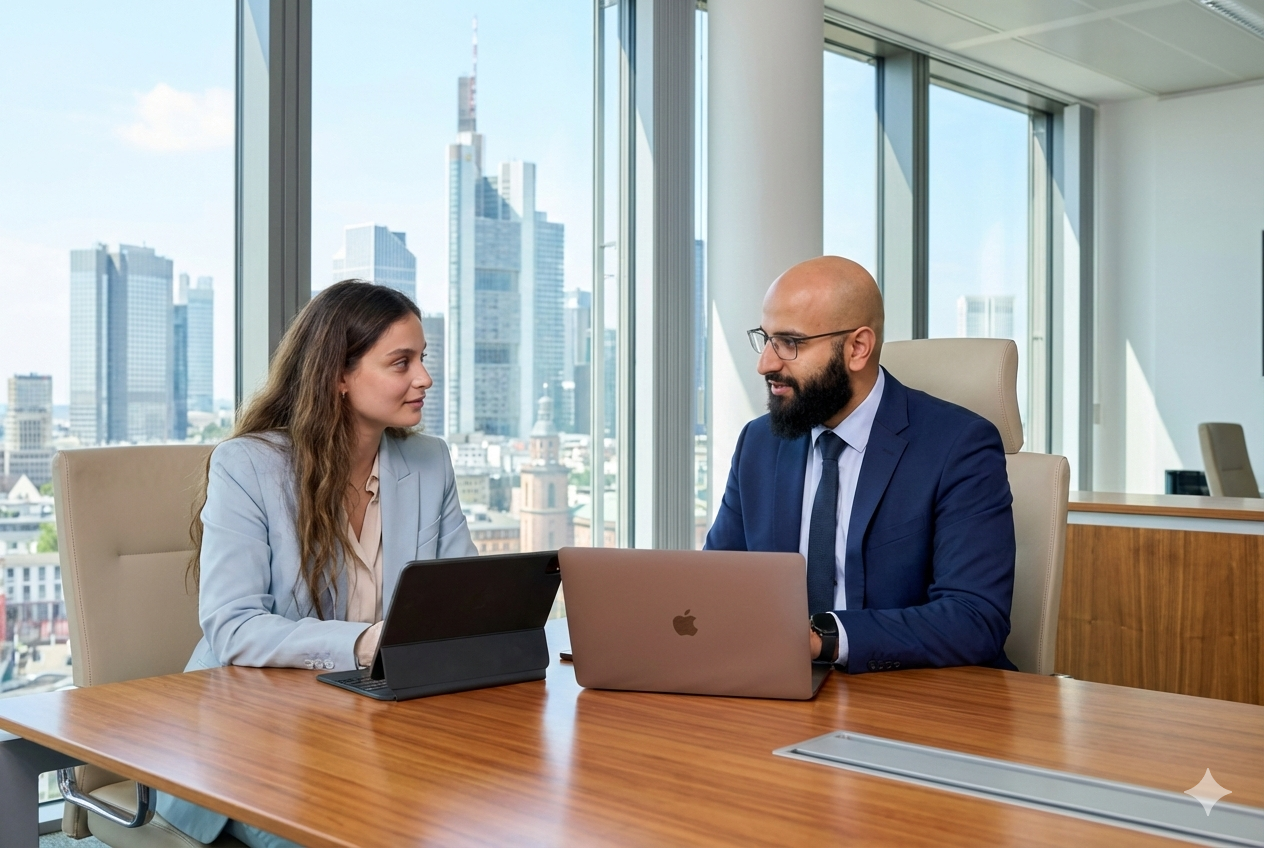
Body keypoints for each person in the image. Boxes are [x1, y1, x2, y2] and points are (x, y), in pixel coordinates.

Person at [156, 280, 476, 847]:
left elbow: (463, 598)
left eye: (423, 359)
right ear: (338, 376)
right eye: (401, 362)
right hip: (254, 738)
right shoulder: (248, 466)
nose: (425, 378)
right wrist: (363, 644)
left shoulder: (429, 461)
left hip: (376, 724)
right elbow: (233, 626)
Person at [704, 256, 1017, 673]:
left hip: (914, 693)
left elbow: (974, 618)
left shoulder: (959, 447)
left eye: (790, 343)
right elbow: (716, 584)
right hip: (779, 684)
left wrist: (826, 640)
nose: (766, 363)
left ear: (857, 348)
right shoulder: (759, 443)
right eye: (766, 339)